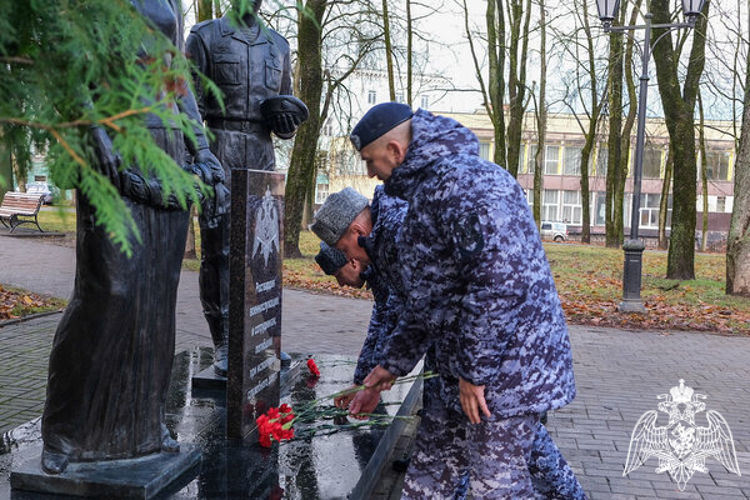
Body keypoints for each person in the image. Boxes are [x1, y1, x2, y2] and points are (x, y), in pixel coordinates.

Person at [349, 102, 586, 499]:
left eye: (371, 161)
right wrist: (387, 368)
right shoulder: (430, 191)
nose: (370, 173)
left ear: (395, 151)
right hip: (460, 371)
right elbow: (431, 298)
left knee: (496, 486)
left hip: (506, 373)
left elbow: (499, 284)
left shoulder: (466, 184)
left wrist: (474, 373)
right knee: (428, 478)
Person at [40, 0, 224, 475]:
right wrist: (91, 131)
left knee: (156, 299)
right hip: (112, 142)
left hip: (168, 150)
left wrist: (200, 147)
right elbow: (67, 61)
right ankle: (65, 430)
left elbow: (175, 75)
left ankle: (146, 426)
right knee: (110, 292)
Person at [186, 0, 306, 375]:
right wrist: (200, 157)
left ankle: (265, 337)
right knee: (220, 252)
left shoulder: (279, 45)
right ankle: (223, 343)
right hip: (219, 145)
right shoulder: (204, 37)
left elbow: (283, 115)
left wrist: (287, 123)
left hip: (261, 151)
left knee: (264, 252)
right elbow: (187, 107)